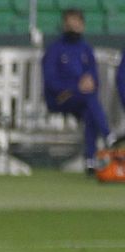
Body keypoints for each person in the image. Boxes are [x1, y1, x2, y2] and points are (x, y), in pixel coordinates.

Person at [41, 9, 110, 172]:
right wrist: (74, 88)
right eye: (70, 23)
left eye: (76, 23)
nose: (73, 27)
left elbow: (94, 79)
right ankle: (107, 135)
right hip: (60, 98)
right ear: (64, 25)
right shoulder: (55, 49)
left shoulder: (86, 49)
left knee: (89, 110)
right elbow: (51, 82)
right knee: (89, 100)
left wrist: (88, 84)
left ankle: (90, 161)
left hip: (81, 99)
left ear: (82, 25)